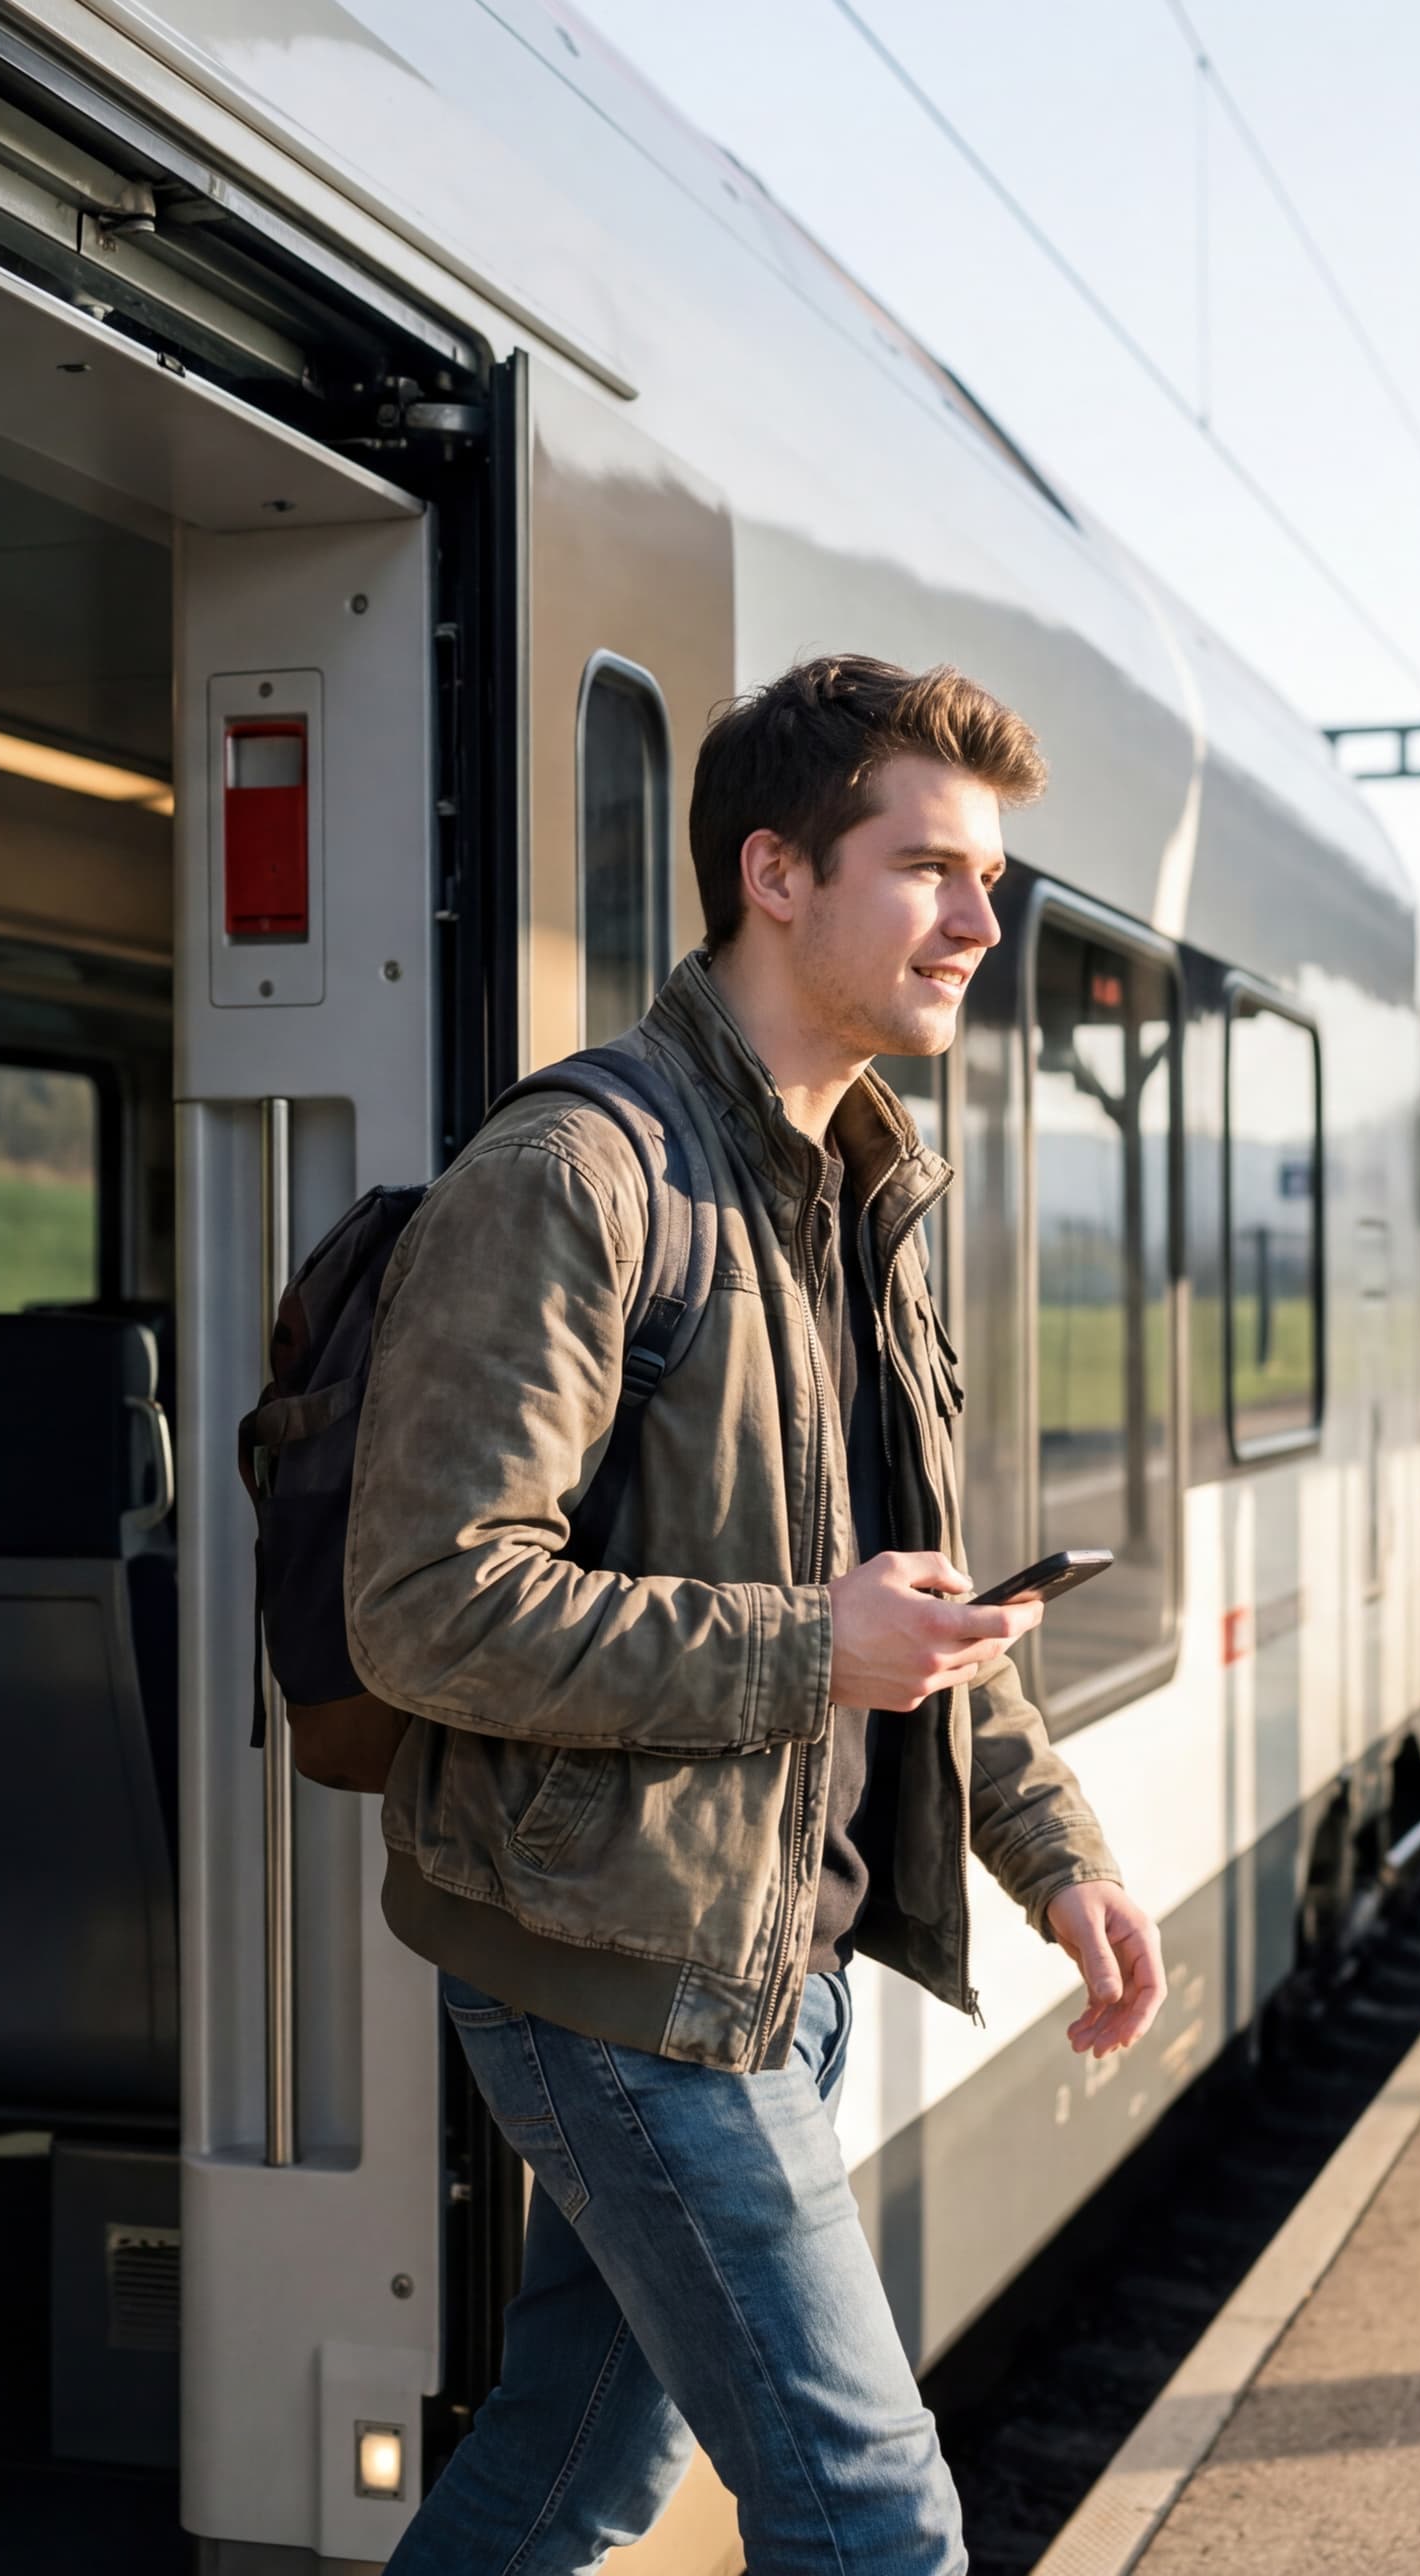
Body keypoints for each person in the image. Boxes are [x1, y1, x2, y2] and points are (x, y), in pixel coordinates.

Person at [346, 655, 1166, 2576]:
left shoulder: (858, 1192)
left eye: (988, 880)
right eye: (931, 869)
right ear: (776, 873)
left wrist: (1054, 1854)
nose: (980, 920)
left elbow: (922, 1605)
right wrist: (814, 1647)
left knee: (578, 2473)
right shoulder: (576, 1177)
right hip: (611, 1965)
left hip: (765, 1959)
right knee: (875, 2518)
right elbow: (427, 1608)